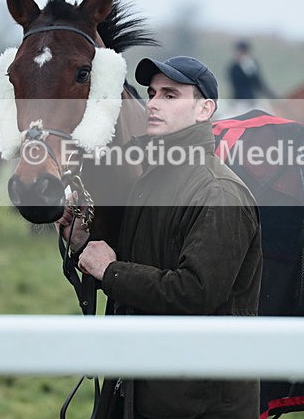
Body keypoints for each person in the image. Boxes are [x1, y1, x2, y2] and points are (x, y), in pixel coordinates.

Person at [57, 56, 263, 418]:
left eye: (170, 95)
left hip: (198, 405)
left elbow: (194, 293)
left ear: (204, 110)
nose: (152, 103)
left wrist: (111, 271)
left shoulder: (219, 193)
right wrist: (83, 244)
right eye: (152, 93)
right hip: (139, 390)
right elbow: (146, 265)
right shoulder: (150, 179)